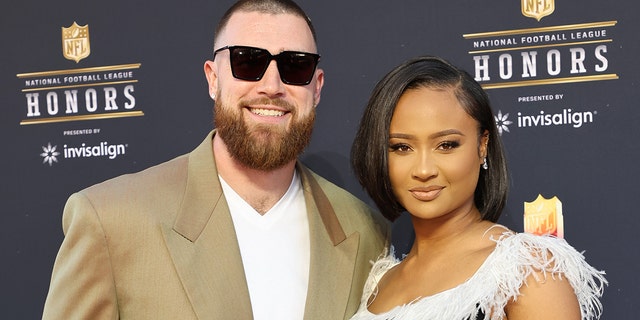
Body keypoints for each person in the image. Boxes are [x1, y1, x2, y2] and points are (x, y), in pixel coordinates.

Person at [41, 1, 388, 319]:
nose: (271, 85)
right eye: (247, 61)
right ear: (212, 78)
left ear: (317, 86)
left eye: (295, 67)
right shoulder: (109, 220)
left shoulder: (367, 232)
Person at [349, 56, 606, 319]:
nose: (424, 170)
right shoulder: (377, 283)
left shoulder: (525, 269)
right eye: (402, 147)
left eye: (446, 145)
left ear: (483, 145)